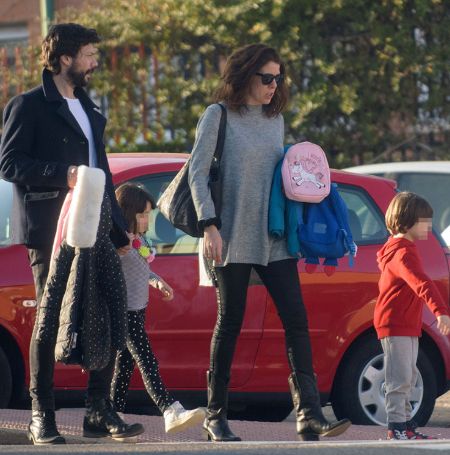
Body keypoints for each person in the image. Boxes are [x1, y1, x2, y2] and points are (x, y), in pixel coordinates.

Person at [188, 43, 351, 442]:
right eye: (267, 78)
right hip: (230, 237)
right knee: (231, 323)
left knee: (296, 319)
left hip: (274, 236)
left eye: (278, 79)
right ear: (245, 74)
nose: (273, 86)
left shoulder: (275, 121)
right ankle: (215, 415)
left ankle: (309, 413)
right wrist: (209, 226)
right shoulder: (218, 116)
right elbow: (195, 173)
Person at [0, 23, 142, 444]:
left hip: (98, 228)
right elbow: (9, 164)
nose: (95, 63)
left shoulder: (90, 109)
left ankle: (98, 409)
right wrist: (64, 174)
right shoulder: (28, 106)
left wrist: (120, 234)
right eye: (89, 55)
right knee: (49, 318)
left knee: (109, 310)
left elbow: (105, 172)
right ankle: (41, 415)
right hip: (53, 230)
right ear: (65, 58)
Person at [111, 183, 206, 433]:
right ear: (127, 212)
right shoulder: (119, 242)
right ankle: (169, 409)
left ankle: (112, 415)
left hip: (138, 309)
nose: (146, 220)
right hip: (124, 311)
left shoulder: (139, 240)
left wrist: (156, 281)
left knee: (125, 365)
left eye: (148, 215)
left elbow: (143, 266)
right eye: (142, 215)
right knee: (147, 360)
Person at [374, 191, 450, 440]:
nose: (429, 225)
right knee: (399, 378)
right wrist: (440, 312)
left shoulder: (400, 249)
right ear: (408, 220)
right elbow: (422, 283)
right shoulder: (402, 252)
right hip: (396, 324)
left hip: (404, 324)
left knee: (407, 376)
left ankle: (405, 425)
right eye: (425, 220)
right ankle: (396, 427)